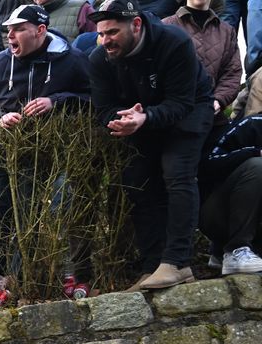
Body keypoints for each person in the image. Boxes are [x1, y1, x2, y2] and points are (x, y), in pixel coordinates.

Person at [89, 0, 214, 290]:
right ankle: (152, 265)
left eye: (112, 32)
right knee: (137, 180)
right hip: (138, 117)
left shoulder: (174, 42)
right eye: (101, 34)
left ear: (136, 24)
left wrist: (147, 116)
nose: (105, 41)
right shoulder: (99, 58)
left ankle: (178, 263)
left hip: (189, 110)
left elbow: (181, 102)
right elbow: (103, 109)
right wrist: (121, 120)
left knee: (177, 172)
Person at [0, 4, 93, 278]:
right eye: (8, 30)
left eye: (19, 29)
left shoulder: (72, 59)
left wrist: (56, 101)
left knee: (43, 210)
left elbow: (93, 98)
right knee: (1, 210)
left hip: (53, 147)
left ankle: (42, 275)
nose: (10, 36)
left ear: (40, 30)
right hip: (3, 146)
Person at [161, 0, 243, 127]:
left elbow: (232, 73)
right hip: (173, 120)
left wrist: (218, 100)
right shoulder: (165, 26)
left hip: (212, 120)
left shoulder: (227, 31)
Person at [199, 115, 262, 274]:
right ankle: (235, 250)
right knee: (258, 166)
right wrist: (255, 152)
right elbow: (207, 163)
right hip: (217, 214)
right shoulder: (252, 124)